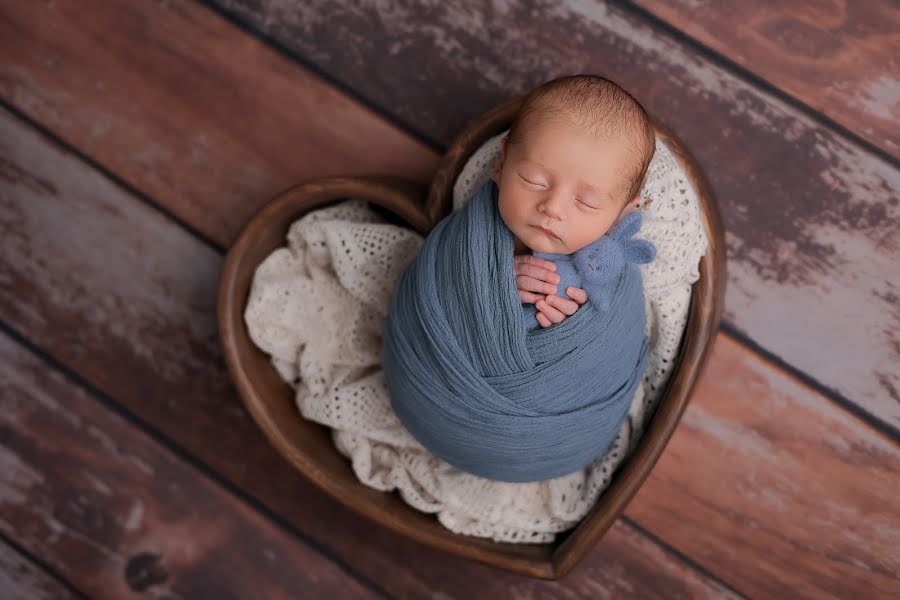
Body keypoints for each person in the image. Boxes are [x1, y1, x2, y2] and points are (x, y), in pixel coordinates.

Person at [490, 75, 656, 328]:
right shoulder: (469, 232)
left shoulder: (608, 277)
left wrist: (572, 326)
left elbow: (612, 344)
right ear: (502, 164)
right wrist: (490, 279)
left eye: (587, 203)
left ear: (621, 214)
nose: (553, 208)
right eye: (534, 180)